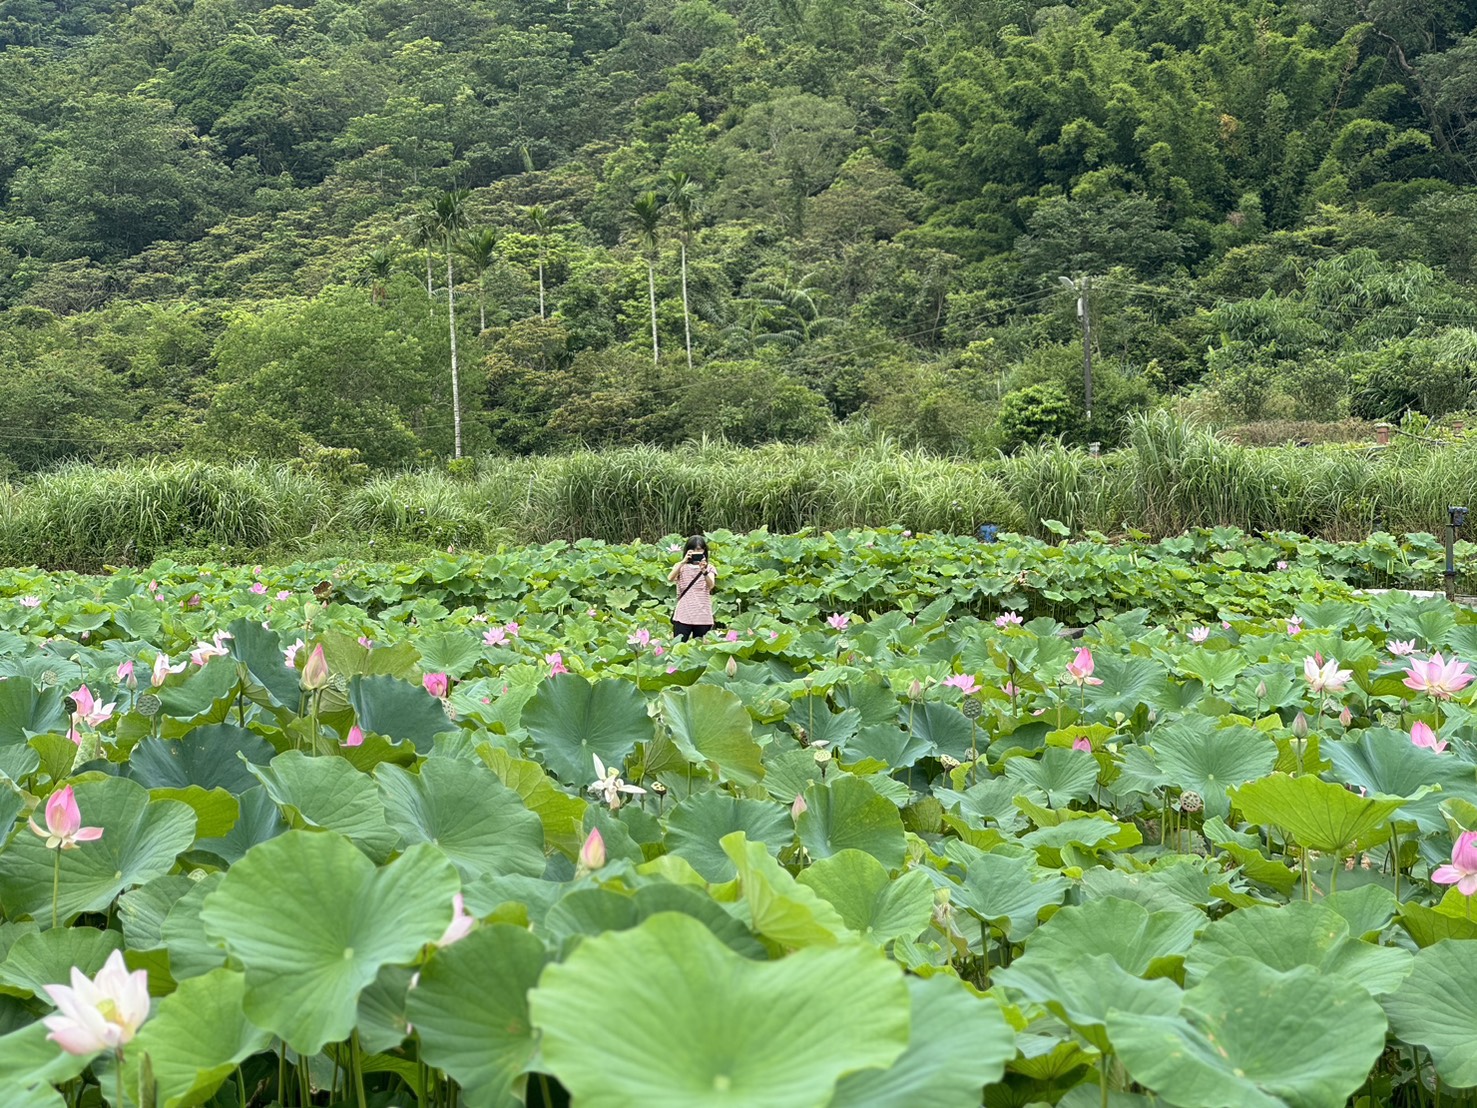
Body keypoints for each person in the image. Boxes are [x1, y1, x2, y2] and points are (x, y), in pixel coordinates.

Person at [668, 534, 716, 640]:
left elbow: (711, 585)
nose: (696, 552)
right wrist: (683, 562)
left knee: (700, 646)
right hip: (683, 613)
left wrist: (704, 571)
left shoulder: (709, 567)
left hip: (702, 614)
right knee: (679, 645)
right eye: (692, 549)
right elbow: (670, 578)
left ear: (704, 550)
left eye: (698, 549)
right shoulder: (681, 566)